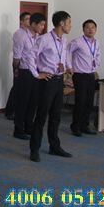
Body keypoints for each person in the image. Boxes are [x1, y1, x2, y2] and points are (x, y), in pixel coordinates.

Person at [28, 11, 73, 163]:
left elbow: (63, 56)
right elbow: (30, 55)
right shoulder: (45, 39)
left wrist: (67, 67)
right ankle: (34, 149)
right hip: (46, 81)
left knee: (56, 115)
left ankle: (55, 146)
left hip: (59, 80)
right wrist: (36, 74)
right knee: (41, 115)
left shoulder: (64, 39)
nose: (70, 26)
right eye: (69, 23)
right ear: (61, 23)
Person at [13, 13, 47, 140]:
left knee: (33, 102)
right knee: (22, 102)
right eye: (41, 25)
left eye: (43, 25)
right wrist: (16, 71)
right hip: (25, 72)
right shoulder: (21, 35)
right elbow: (17, 57)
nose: (43, 27)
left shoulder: (39, 38)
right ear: (33, 24)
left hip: (36, 72)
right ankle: (18, 129)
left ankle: (29, 126)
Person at [67, 19, 100, 136]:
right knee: (80, 102)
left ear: (96, 29)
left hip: (91, 75)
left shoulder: (96, 42)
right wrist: (69, 66)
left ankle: (84, 126)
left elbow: (97, 55)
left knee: (89, 102)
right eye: (87, 27)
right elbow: (67, 52)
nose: (90, 30)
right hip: (80, 75)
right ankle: (75, 127)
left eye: (93, 27)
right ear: (83, 29)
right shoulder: (77, 42)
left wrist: (97, 64)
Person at [5, 12, 30, 120]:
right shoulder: (19, 33)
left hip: (29, 66)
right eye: (27, 19)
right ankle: (10, 111)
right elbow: (17, 53)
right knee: (17, 88)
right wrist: (16, 68)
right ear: (21, 21)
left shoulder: (30, 33)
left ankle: (19, 110)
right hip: (19, 64)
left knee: (23, 89)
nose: (29, 21)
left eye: (30, 19)